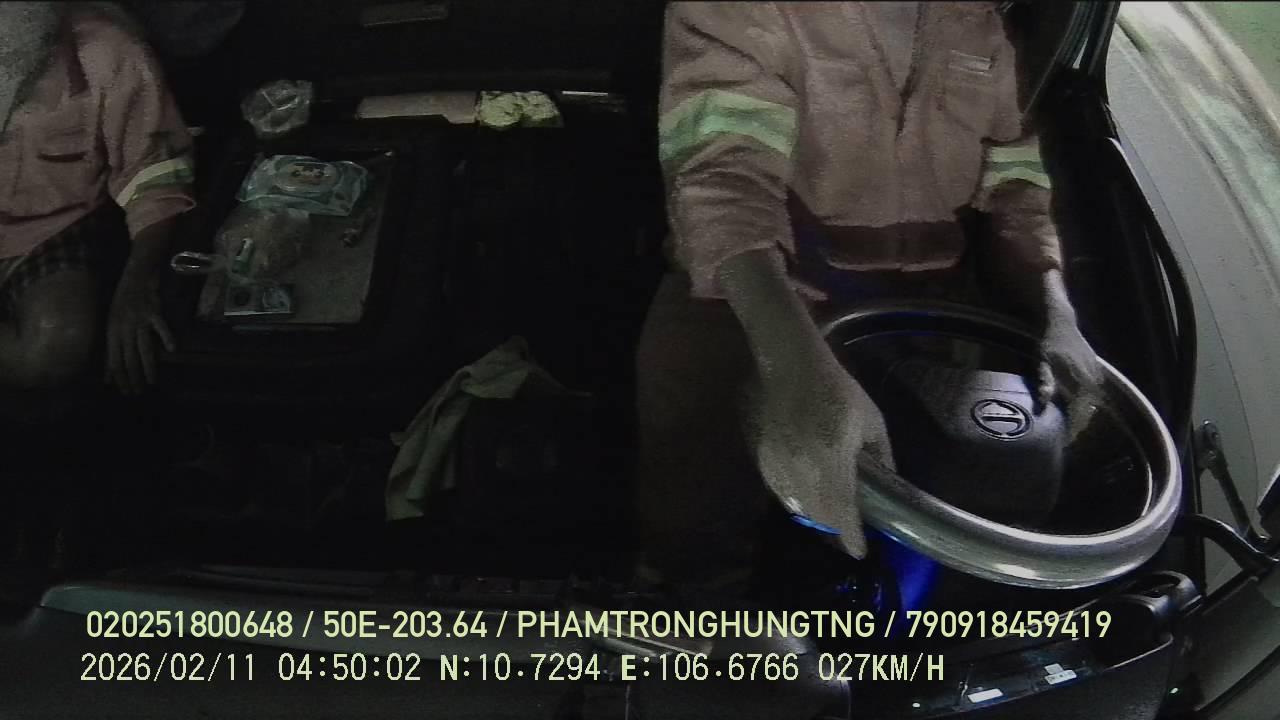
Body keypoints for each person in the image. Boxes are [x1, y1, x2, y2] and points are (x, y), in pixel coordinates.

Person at [636, 1, 1103, 592]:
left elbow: (1015, 182)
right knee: (696, 559)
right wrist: (792, 368)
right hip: (746, 305)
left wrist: (1057, 310)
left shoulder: (978, 21)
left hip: (920, 328)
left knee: (904, 563)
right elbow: (724, 180)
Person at [0, 1, 195, 413]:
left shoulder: (107, 49)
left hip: (46, 233)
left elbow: (155, 180)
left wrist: (138, 281)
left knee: (55, 343)